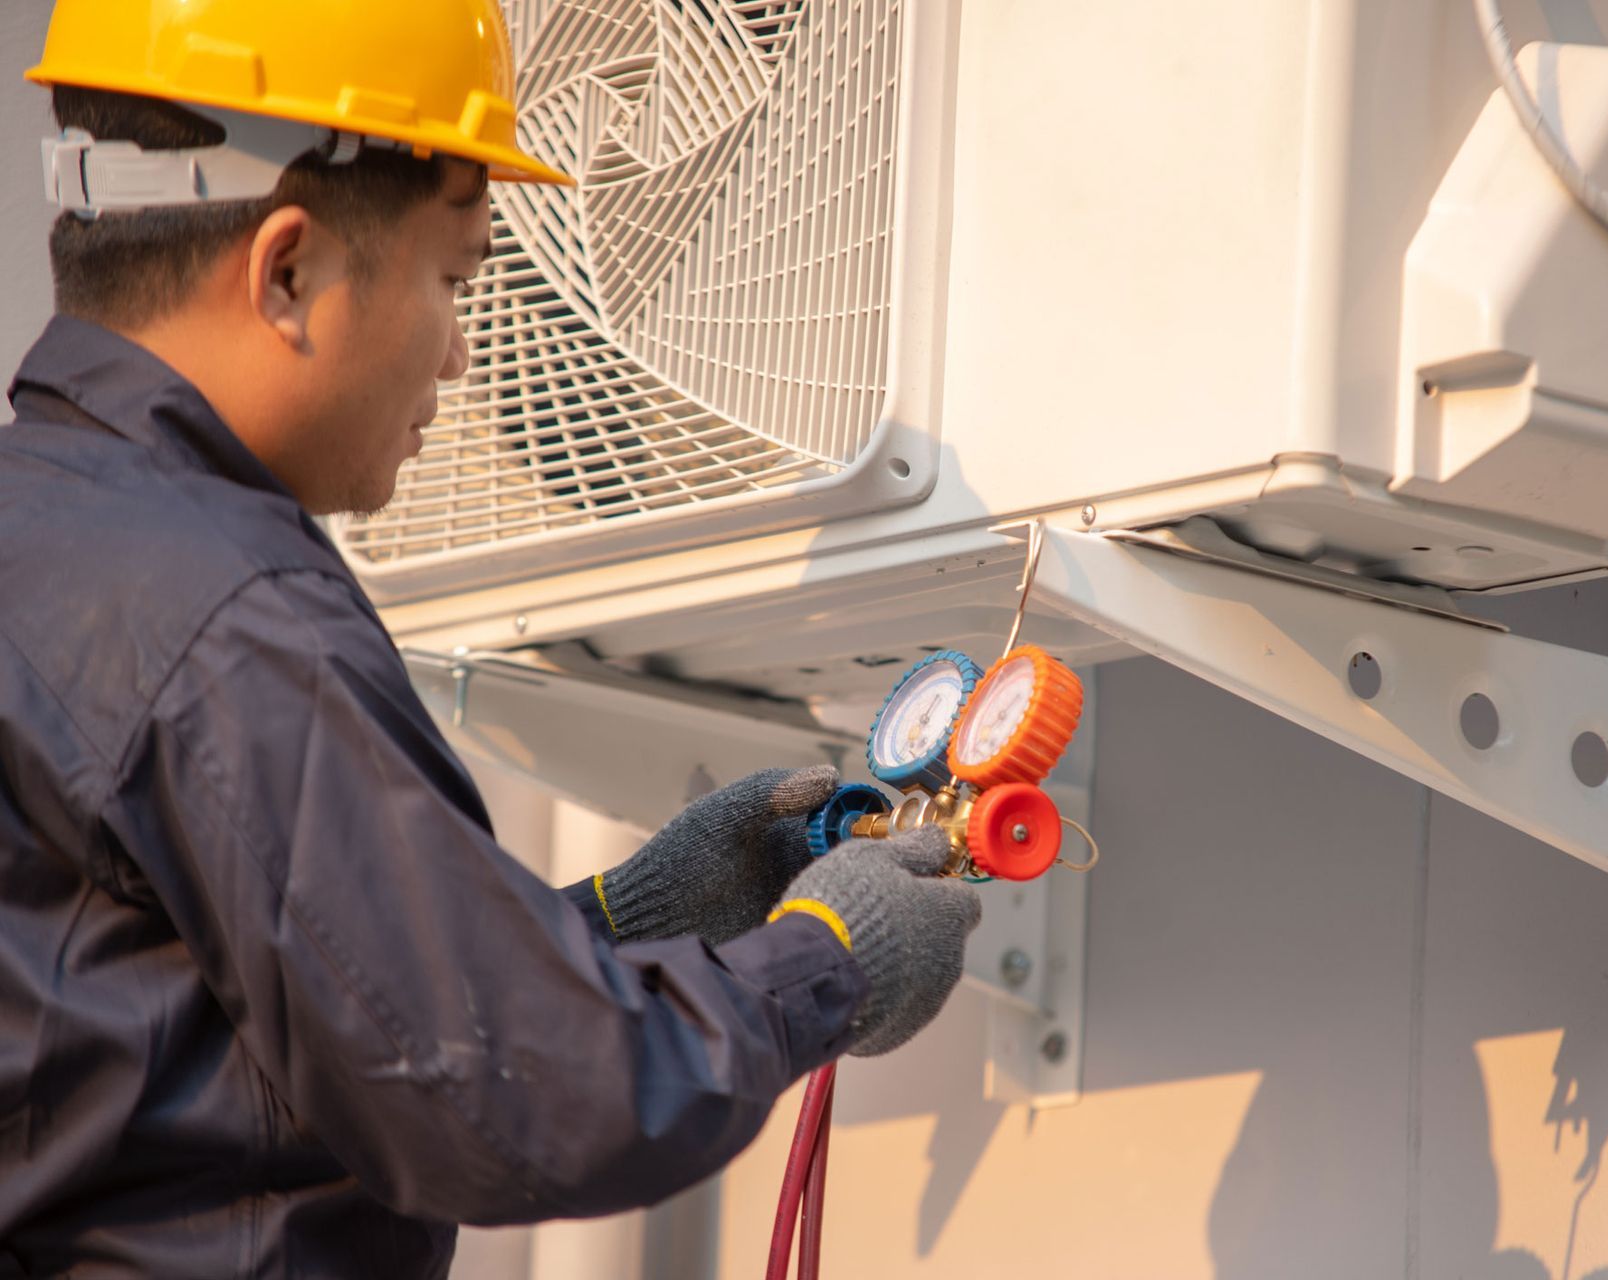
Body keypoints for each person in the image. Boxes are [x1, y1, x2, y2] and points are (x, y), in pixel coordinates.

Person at [0, 1, 982, 1275]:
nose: (464, 353)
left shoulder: (50, 543)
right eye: (454, 278)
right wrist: (826, 959)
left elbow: (189, 1031)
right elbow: (518, 1101)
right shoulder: (224, 616)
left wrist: (617, 925)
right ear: (287, 271)